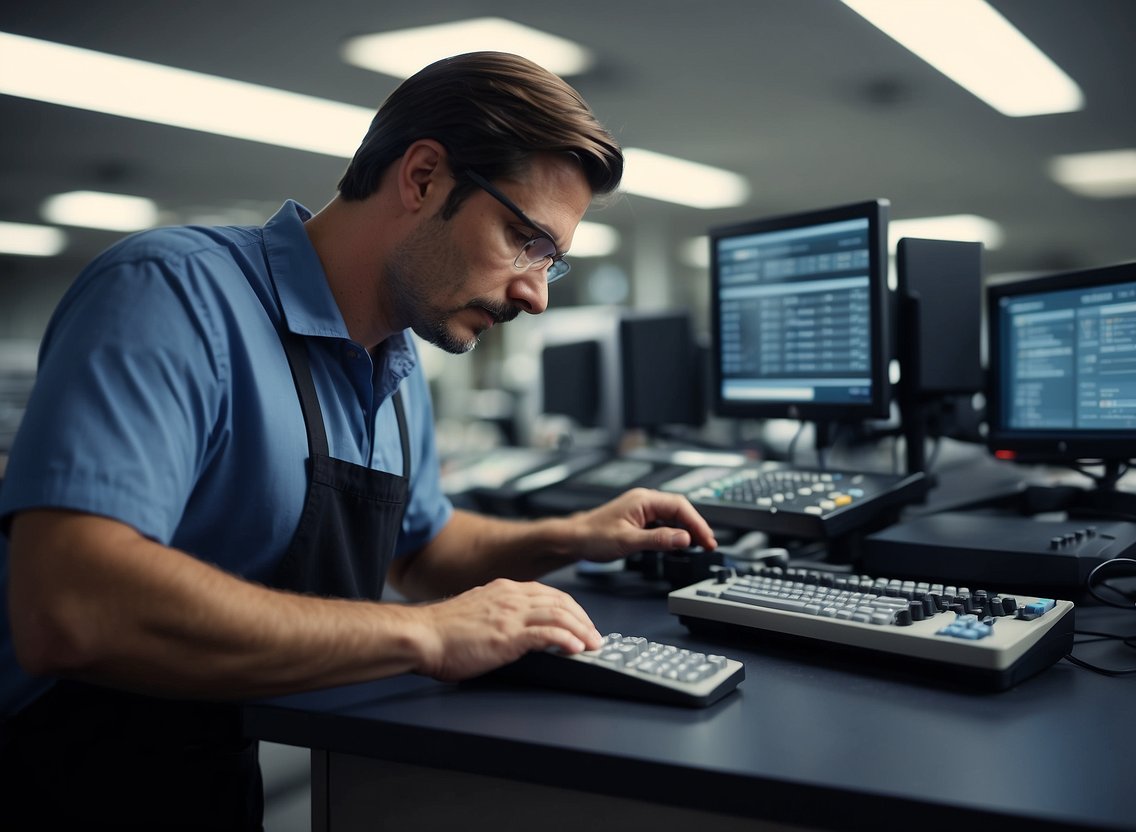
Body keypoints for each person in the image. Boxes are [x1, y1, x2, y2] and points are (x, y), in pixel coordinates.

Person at [0, 51, 717, 829]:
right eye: (524, 240)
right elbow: (71, 605)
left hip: (207, 769)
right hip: (57, 781)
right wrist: (425, 632)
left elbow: (420, 552)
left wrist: (571, 535)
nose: (535, 295)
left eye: (553, 262)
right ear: (421, 178)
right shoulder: (172, 295)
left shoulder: (399, 363)